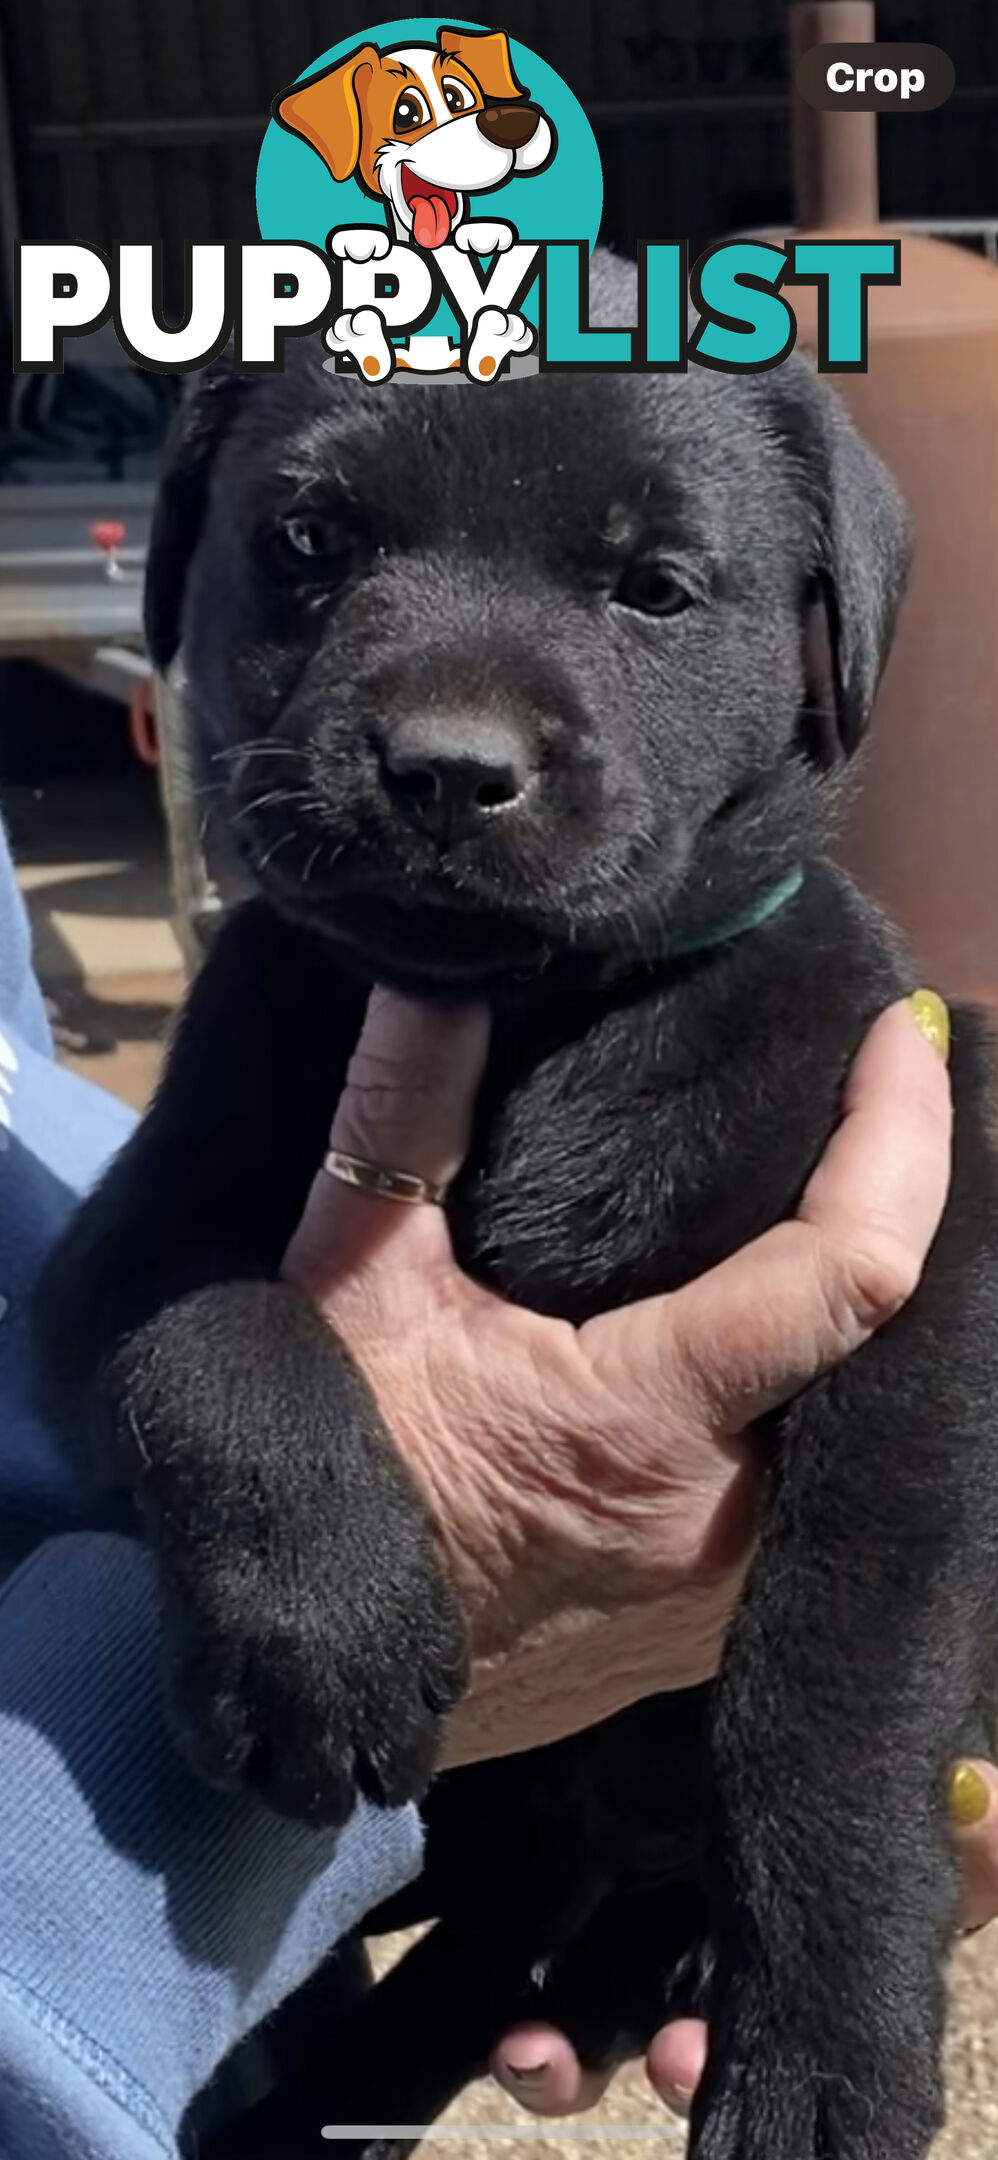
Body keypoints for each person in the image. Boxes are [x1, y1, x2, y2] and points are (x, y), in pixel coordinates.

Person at [0, 802, 995, 2160]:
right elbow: (123, 1286)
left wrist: (839, 1914)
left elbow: (919, 1458)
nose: (451, 721)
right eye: (310, 570)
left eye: (652, 582)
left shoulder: (818, 1001)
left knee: (455, 2006)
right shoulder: (289, 969)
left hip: (338, 1875)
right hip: (170, 1828)